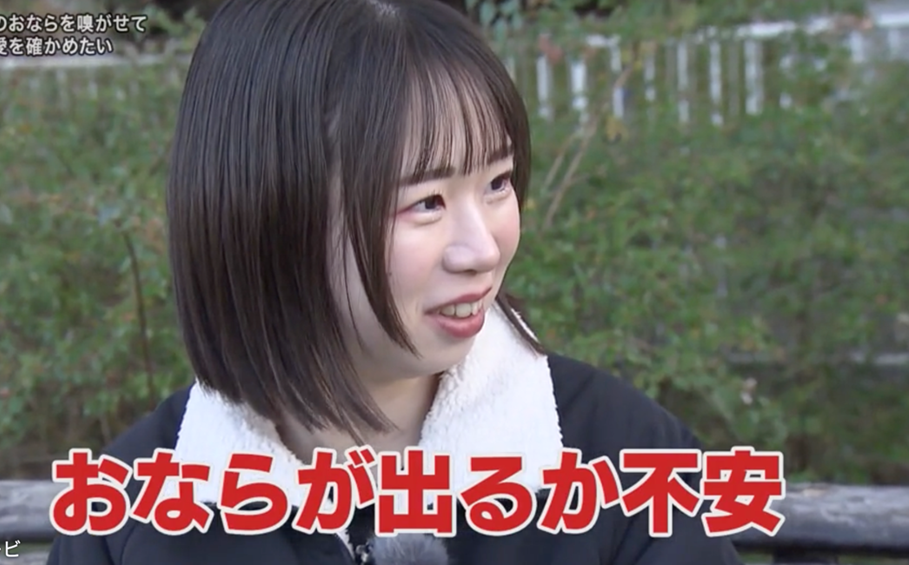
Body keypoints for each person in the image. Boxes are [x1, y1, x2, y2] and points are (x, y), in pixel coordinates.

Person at [46, 0, 746, 563]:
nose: (483, 249)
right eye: (427, 202)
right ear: (268, 213)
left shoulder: (622, 459)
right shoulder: (134, 509)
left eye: (498, 183)